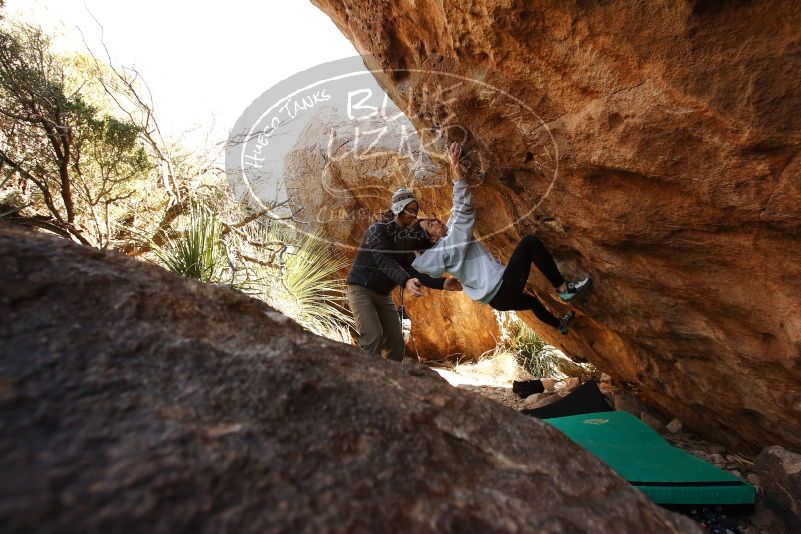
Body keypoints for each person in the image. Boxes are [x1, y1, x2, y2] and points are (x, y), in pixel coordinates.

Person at [411, 142, 592, 335]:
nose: (435, 220)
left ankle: (559, 325)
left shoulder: (441, 250)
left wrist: (455, 174)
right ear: (432, 240)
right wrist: (457, 173)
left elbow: (455, 215)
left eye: (431, 219)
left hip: (497, 301)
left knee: (531, 302)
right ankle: (564, 288)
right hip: (503, 287)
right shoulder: (451, 244)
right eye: (431, 225)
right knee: (530, 243)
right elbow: (463, 211)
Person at [346, 188, 462, 362]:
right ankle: (365, 384)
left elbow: (412, 269)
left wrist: (443, 284)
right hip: (361, 290)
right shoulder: (377, 230)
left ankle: (390, 384)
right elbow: (384, 260)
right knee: (373, 338)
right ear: (398, 209)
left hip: (383, 295)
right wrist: (406, 280)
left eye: (415, 210)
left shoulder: (404, 239)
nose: (412, 214)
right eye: (408, 209)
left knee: (396, 343)